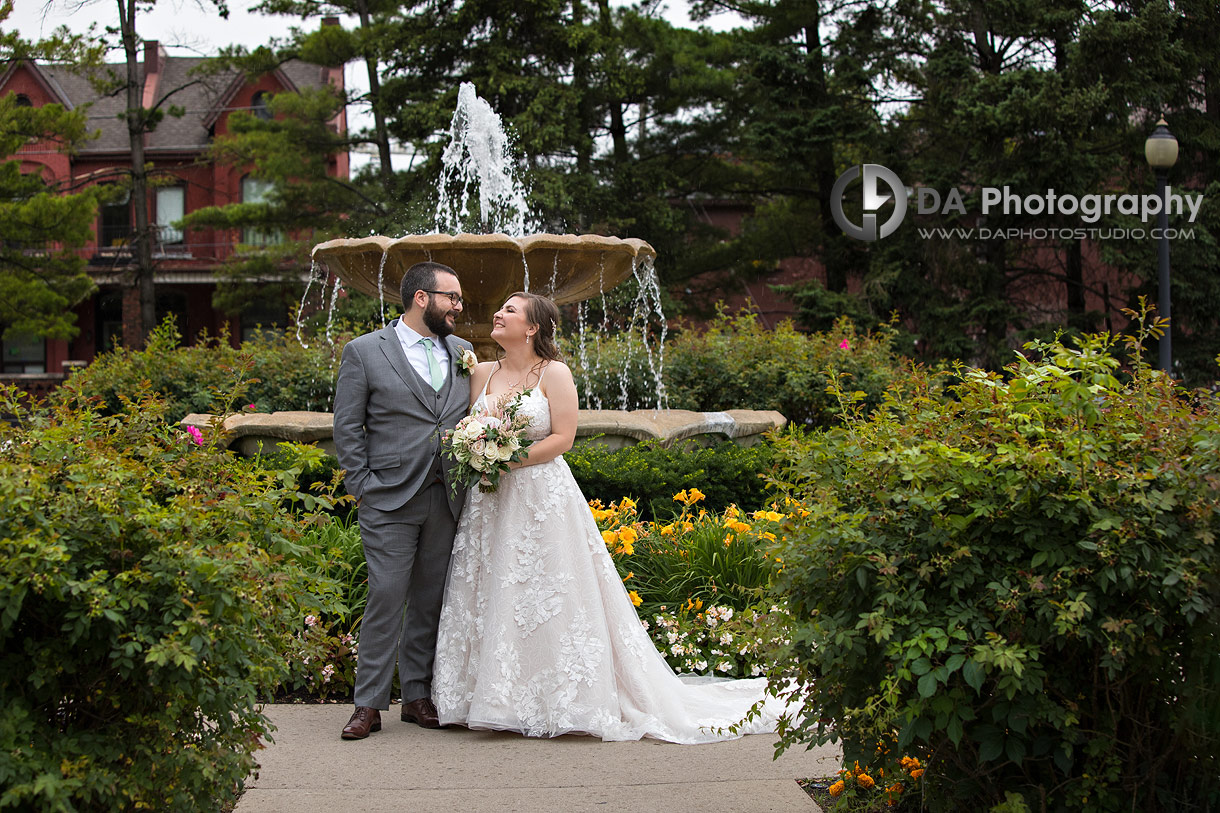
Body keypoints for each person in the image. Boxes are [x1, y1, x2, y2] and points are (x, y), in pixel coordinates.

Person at [433, 292, 785, 742]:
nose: (497, 314)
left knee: (548, 591)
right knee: (491, 587)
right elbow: (466, 427)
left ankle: (558, 700)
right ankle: (491, 697)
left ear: (533, 327)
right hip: (490, 500)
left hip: (540, 496)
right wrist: (476, 449)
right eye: (499, 307)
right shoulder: (481, 372)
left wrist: (506, 459)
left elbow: (563, 437)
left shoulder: (554, 373)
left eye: (510, 311)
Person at [332, 261, 475, 739]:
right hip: (389, 498)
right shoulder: (364, 352)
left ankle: (417, 696)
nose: (459, 305)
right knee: (386, 597)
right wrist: (364, 486)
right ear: (421, 298)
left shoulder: (464, 351)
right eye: (451, 297)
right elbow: (348, 429)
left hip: (446, 495)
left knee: (431, 599)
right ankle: (368, 704)